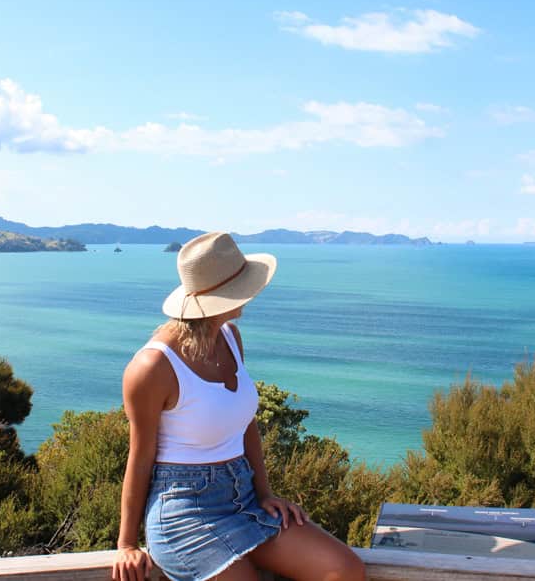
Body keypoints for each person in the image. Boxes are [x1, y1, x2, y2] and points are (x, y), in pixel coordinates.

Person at [113, 232, 365, 581]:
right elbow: (139, 458)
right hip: (184, 513)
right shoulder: (152, 367)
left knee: (344, 570)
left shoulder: (230, 336)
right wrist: (126, 544)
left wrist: (264, 493)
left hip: (243, 500)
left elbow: (246, 424)